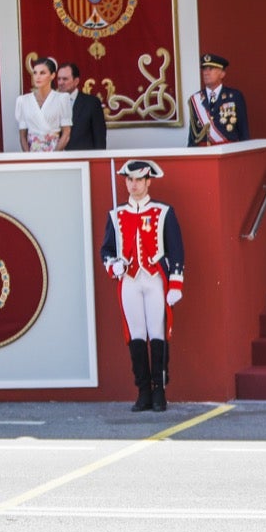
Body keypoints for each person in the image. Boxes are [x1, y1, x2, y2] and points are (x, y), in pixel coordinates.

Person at [100, 160, 184, 413]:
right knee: (135, 334)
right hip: (130, 281)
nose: (133, 185)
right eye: (129, 180)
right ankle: (143, 391)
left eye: (138, 180)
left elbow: (177, 249)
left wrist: (175, 284)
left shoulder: (163, 212)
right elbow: (106, 250)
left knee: (157, 333)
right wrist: (112, 265)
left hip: (155, 279)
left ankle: (159, 390)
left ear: (148, 181)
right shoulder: (116, 215)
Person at [187, 53, 249, 146]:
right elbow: (192, 137)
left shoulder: (235, 96)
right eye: (204, 69)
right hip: (204, 154)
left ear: (222, 74)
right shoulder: (195, 99)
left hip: (228, 152)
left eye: (211, 69)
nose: (206, 73)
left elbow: (244, 132)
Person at [15, 56, 72, 153]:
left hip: (56, 153)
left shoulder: (62, 99)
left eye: (42, 73)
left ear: (52, 75)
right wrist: (29, 157)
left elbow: (66, 133)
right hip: (32, 155)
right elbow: (22, 135)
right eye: (35, 73)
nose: (37, 77)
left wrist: (54, 156)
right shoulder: (23, 101)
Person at [57, 62, 107, 151]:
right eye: (59, 79)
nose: (60, 82)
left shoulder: (91, 103)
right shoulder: (52, 102)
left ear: (76, 81)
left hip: (83, 160)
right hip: (56, 159)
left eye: (65, 79)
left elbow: (99, 138)